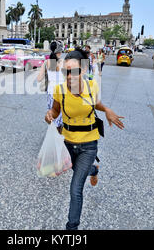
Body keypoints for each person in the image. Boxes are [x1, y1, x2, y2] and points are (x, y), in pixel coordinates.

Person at [45, 47, 125, 230]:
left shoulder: (92, 86)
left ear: (83, 70)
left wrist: (107, 110)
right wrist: (49, 113)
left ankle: (71, 228)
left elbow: (95, 103)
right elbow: (56, 110)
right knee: (78, 171)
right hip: (68, 142)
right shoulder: (59, 89)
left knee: (75, 189)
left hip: (89, 144)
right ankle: (93, 170)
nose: (69, 75)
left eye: (74, 71)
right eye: (66, 71)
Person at [37, 41, 64, 134]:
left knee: (53, 115)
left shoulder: (46, 62)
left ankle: (55, 137)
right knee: (61, 117)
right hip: (62, 94)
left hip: (51, 93)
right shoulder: (64, 63)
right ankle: (60, 137)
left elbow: (39, 79)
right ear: (60, 51)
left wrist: (46, 72)